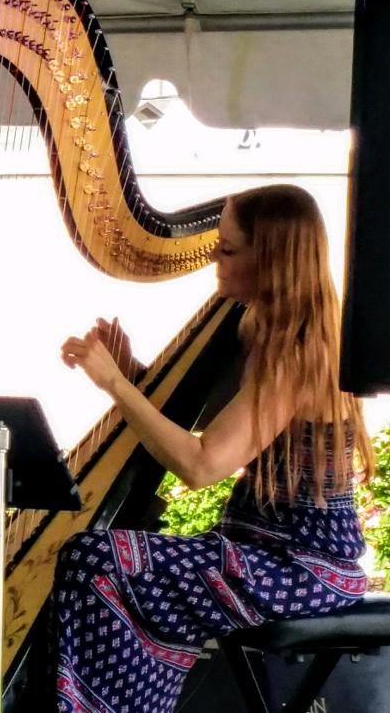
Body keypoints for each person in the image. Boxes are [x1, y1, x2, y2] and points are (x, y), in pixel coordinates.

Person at [55, 184, 374, 713]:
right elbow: (220, 428)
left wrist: (115, 386)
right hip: (257, 546)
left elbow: (203, 465)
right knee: (98, 555)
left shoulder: (299, 349)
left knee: (95, 558)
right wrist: (133, 374)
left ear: (272, 259)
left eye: (228, 250)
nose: (213, 259)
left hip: (303, 566)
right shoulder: (261, 325)